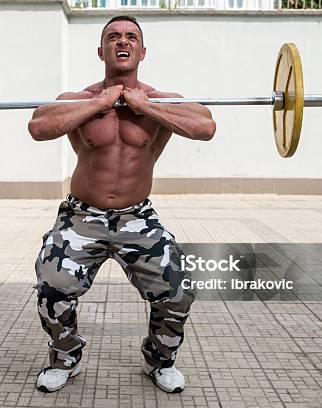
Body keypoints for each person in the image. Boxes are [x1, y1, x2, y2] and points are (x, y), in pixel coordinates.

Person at [27, 15, 216, 394]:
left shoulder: (160, 101)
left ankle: (159, 362)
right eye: (113, 36)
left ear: (142, 51)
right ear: (101, 51)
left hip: (137, 216)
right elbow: (38, 127)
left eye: (131, 37)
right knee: (52, 285)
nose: (122, 41)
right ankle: (65, 359)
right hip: (81, 217)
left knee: (177, 290)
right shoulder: (78, 101)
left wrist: (143, 106)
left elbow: (206, 127)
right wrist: (102, 101)